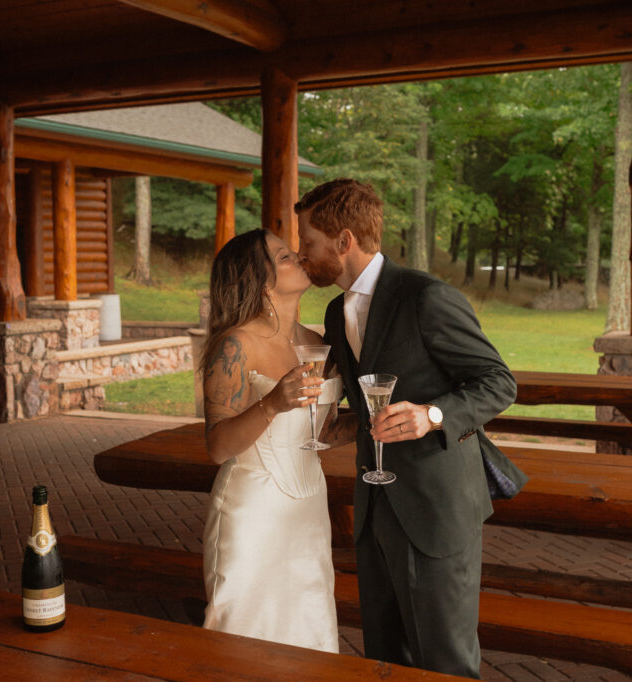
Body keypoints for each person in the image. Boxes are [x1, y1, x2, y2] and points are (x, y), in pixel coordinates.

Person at [295, 178, 527, 677]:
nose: (302, 253)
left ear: (344, 241)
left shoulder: (426, 297)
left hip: (436, 506)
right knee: (384, 657)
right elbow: (360, 407)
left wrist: (432, 415)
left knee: (444, 661)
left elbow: (498, 382)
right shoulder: (337, 313)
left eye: (308, 243)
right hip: (374, 506)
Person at [200, 229, 342, 652]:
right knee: (245, 635)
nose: (298, 256)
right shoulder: (235, 346)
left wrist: (379, 422)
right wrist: (272, 403)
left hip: (308, 507)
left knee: (309, 629)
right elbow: (217, 447)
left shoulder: (316, 344)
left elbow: (321, 433)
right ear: (259, 280)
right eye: (283, 256)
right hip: (253, 512)